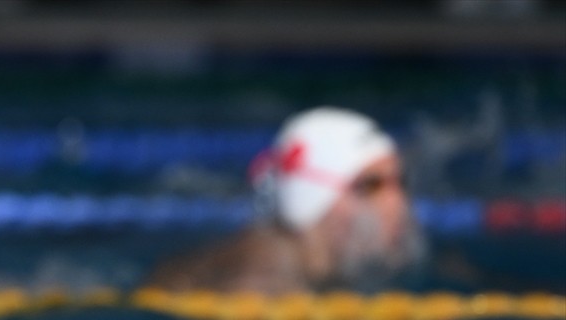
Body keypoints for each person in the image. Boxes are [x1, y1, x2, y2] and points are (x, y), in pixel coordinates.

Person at [143, 106, 427, 294]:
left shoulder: (335, 265)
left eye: (400, 182)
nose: (396, 202)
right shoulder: (264, 276)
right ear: (316, 197)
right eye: (371, 185)